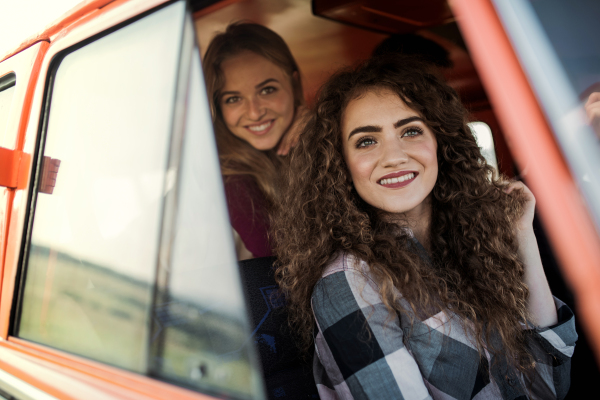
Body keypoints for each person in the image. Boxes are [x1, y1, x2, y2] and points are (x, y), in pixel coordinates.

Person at [273, 56, 577, 399]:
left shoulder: (473, 245)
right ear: (341, 165)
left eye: (411, 131)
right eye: (366, 141)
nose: (394, 156)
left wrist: (522, 237)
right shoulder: (349, 281)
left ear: (440, 144)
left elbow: (550, 386)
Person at [203, 22, 307, 260]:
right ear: (217, 107)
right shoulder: (226, 181)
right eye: (233, 99)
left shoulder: (317, 138)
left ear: (293, 83)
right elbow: (281, 259)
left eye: (267, 90)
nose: (254, 112)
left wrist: (320, 135)